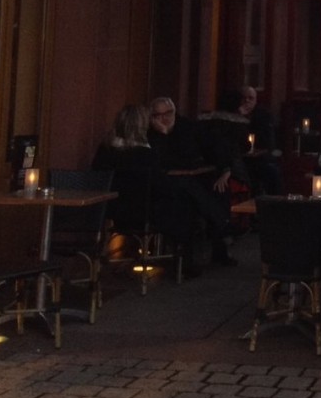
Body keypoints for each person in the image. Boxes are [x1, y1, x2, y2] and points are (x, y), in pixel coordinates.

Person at [93, 104, 203, 276]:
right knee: (185, 204)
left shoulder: (105, 149)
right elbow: (161, 184)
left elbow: (96, 178)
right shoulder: (144, 154)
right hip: (143, 212)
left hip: (110, 210)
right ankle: (184, 264)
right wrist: (164, 136)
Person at [146, 96, 236, 266]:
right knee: (189, 194)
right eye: (158, 115)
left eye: (168, 113)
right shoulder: (151, 134)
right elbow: (162, 163)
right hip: (167, 184)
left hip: (195, 177)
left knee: (218, 189)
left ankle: (219, 249)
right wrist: (164, 134)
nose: (164, 118)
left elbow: (214, 147)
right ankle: (223, 225)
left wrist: (225, 170)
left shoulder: (188, 127)